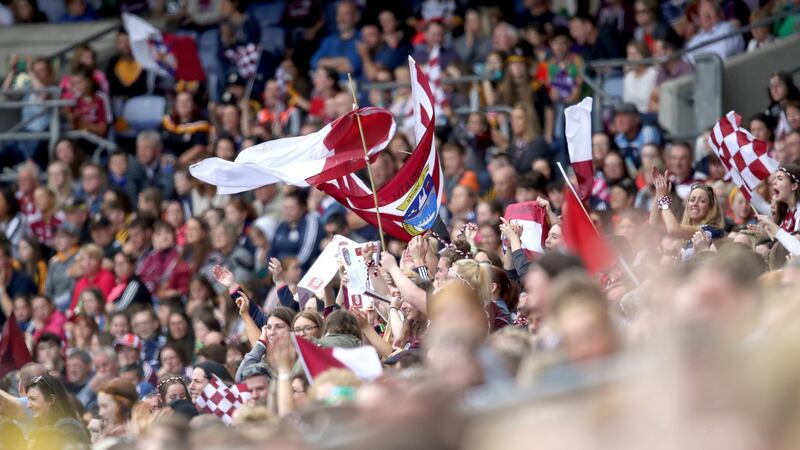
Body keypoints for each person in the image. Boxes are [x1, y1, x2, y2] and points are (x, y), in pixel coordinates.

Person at [25, 374, 90, 447]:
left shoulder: (68, 427)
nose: (28, 405)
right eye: (28, 399)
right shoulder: (38, 426)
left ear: (51, 400)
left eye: (33, 399)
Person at [268, 190, 322, 272]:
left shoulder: (311, 222)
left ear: (303, 208)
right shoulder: (282, 225)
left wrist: (289, 270)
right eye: (285, 208)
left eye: (291, 208)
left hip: (301, 273)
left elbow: (306, 253)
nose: (287, 212)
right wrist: (272, 268)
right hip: (280, 273)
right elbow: (272, 250)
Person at [160, 91, 210, 166]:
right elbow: (159, 143)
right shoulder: (167, 122)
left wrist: (179, 163)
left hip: (189, 164)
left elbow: (200, 147)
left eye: (187, 101)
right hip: (166, 163)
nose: (183, 104)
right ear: (175, 105)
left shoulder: (201, 125)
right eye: (180, 101)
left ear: (193, 104)